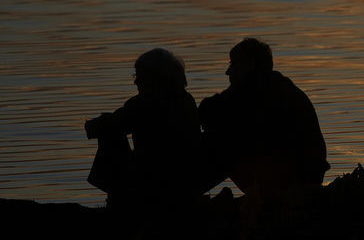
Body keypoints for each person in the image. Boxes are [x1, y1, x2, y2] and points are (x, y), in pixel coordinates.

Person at [199, 37, 329, 201]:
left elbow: (208, 111)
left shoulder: (254, 91)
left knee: (219, 141)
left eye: (233, 64)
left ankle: (181, 193)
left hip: (292, 179)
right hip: (306, 176)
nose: (228, 72)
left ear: (249, 65)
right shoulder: (277, 86)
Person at [85, 47, 206, 208]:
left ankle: (119, 197)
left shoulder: (144, 103)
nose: (135, 81)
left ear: (154, 77)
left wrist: (94, 123)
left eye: (139, 76)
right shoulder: (186, 99)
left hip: (154, 180)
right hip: (188, 178)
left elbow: (102, 126)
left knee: (109, 131)